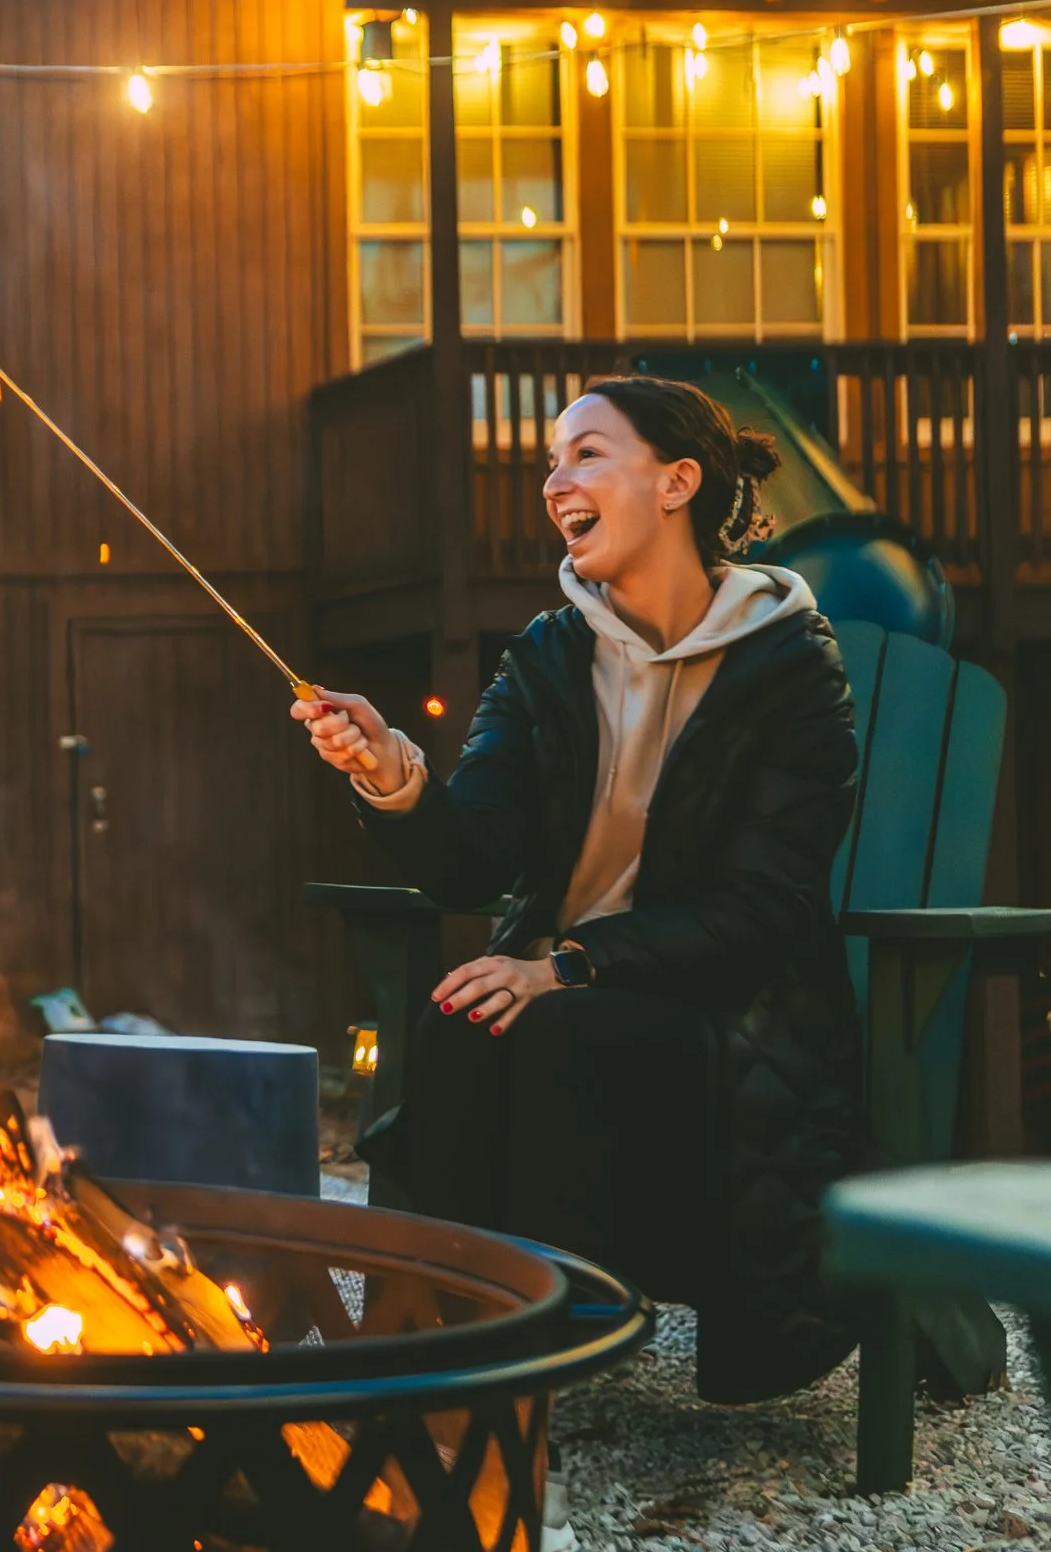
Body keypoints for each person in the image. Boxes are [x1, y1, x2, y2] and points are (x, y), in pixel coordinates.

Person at [292, 375, 867, 1408]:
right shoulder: (551, 654)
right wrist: (388, 772)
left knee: (555, 1028)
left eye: (586, 454)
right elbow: (477, 854)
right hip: (565, 979)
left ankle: (553, 1341)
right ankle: (455, 1337)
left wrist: (570, 964)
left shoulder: (790, 665)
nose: (556, 481)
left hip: (729, 1006)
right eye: (551, 463)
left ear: (677, 481)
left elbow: (766, 906)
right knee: (461, 1013)